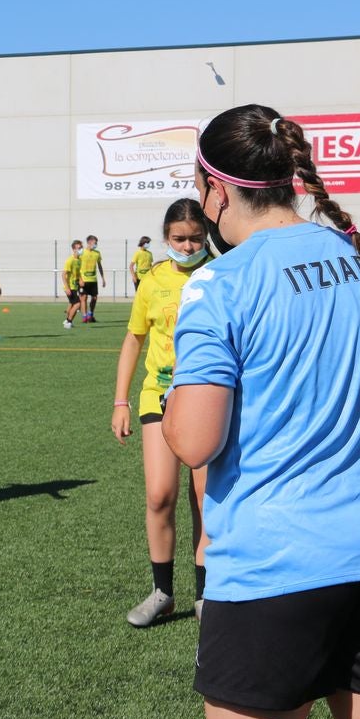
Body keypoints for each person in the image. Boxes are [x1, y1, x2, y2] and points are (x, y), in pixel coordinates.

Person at [162, 105, 360, 719]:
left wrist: (174, 396)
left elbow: (196, 440)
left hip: (273, 567)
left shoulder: (219, 284)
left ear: (215, 189)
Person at [112, 199, 209, 628]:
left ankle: (209, 597)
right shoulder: (151, 281)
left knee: (206, 502)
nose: (187, 247)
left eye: (194, 238)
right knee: (159, 495)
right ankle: (163, 593)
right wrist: (120, 401)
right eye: (178, 238)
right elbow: (134, 339)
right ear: (166, 237)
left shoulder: (221, 273)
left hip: (208, 397)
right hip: (158, 397)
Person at [78, 234, 106, 322]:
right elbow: (76, 266)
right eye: (95, 242)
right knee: (84, 298)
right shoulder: (81, 252)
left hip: (93, 280)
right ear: (89, 242)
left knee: (94, 298)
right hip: (84, 280)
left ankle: (91, 314)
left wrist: (103, 278)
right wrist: (80, 279)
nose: (96, 244)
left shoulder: (97, 253)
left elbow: (100, 266)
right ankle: (84, 316)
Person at [62, 239, 83, 329]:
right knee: (78, 304)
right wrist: (67, 288)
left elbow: (77, 273)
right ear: (74, 249)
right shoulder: (70, 260)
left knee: (73, 304)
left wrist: (81, 280)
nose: (81, 249)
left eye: (81, 247)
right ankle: (68, 322)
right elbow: (63, 275)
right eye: (79, 248)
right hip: (70, 287)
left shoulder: (79, 260)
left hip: (75, 286)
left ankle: (67, 321)